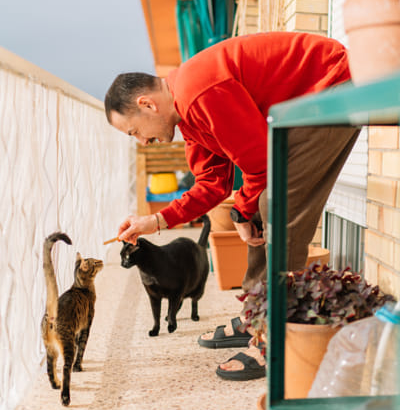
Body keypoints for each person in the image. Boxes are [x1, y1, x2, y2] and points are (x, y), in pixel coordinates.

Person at [104, 32, 360, 381]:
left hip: (334, 84)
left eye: (134, 131)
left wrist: (242, 209)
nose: (142, 142)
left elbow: (259, 164)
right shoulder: (187, 116)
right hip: (308, 102)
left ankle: (275, 339)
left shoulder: (199, 92)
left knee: (276, 203)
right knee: (257, 205)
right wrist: (156, 221)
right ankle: (259, 317)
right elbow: (212, 183)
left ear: (148, 105)